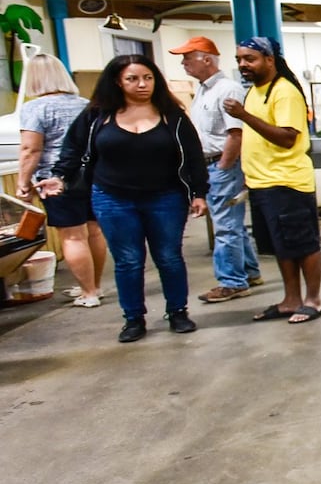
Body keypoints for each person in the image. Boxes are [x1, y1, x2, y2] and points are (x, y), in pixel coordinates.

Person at [37, 55, 208, 343]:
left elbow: (193, 156)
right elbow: (73, 148)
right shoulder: (97, 114)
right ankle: (133, 318)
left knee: (169, 257)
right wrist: (60, 176)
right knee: (128, 260)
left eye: (148, 78)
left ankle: (177, 311)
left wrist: (199, 192)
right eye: (133, 79)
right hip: (112, 198)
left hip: (165, 198)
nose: (142, 84)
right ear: (118, 81)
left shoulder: (172, 115)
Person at [222, 36, 321, 324]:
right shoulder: (254, 92)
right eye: (240, 60)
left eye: (250, 59)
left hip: (287, 182)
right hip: (262, 182)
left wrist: (243, 115)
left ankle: (313, 300)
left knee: (303, 244)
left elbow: (287, 138)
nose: (244, 65)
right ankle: (291, 299)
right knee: (282, 246)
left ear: (269, 59)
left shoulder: (284, 92)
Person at [170, 36, 264, 302]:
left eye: (188, 58)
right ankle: (249, 272)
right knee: (231, 223)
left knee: (225, 227)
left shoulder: (228, 89)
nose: (184, 63)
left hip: (223, 165)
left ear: (207, 59)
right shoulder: (203, 89)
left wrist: (223, 167)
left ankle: (232, 282)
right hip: (208, 165)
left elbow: (236, 134)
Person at [15, 53, 106, 307]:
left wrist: (23, 183)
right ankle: (95, 287)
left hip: (55, 179)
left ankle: (87, 294)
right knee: (94, 232)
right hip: (91, 175)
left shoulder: (35, 108)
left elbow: (30, 150)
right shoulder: (85, 104)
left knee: (73, 236)